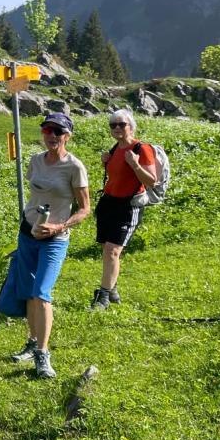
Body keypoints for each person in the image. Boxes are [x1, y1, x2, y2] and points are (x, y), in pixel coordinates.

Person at [8, 113, 91, 379]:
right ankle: (32, 343)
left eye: (58, 131)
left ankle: (42, 355)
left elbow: (85, 209)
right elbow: (35, 195)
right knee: (28, 292)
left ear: (67, 136)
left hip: (54, 239)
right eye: (47, 130)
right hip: (28, 234)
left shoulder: (74, 167)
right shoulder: (35, 161)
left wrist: (58, 227)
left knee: (42, 293)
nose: (52, 136)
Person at [91, 109, 157, 310]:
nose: (117, 128)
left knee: (112, 251)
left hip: (128, 207)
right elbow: (117, 177)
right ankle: (112, 290)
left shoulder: (141, 149)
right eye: (113, 125)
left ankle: (102, 297)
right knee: (107, 249)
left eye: (122, 124)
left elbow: (152, 181)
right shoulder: (114, 150)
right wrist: (105, 162)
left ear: (131, 126)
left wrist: (135, 165)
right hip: (108, 203)